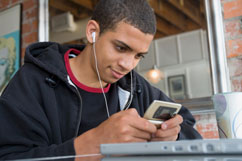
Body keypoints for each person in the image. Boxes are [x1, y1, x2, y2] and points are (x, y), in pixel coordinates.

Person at [0, 0, 202, 160]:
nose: (127, 64)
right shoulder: (31, 82)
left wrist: (174, 135)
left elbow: (188, 125)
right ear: (92, 32)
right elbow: (10, 156)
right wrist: (91, 145)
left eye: (138, 56)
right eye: (121, 48)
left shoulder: (135, 86)